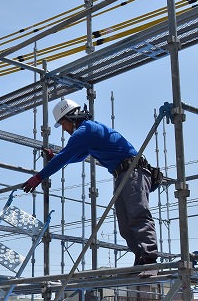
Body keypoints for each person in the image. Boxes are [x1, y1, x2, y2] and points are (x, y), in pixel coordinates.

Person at [22, 98, 159, 276]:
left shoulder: (85, 131)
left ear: (71, 118)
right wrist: (56, 157)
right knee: (125, 224)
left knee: (137, 214)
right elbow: (77, 156)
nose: (63, 129)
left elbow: (65, 157)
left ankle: (149, 259)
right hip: (122, 174)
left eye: (63, 124)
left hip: (133, 171)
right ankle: (141, 260)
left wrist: (39, 177)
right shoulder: (88, 133)